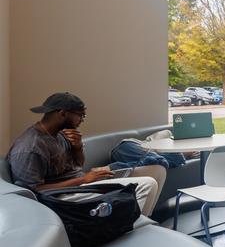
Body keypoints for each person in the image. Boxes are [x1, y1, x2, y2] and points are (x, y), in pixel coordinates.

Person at [6, 92, 164, 216]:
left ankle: (141, 218)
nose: (82, 120)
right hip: (64, 196)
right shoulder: (30, 146)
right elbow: (33, 191)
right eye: (80, 115)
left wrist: (78, 147)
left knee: (157, 170)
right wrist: (84, 179)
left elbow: (78, 165)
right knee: (148, 184)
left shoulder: (61, 134)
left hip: (83, 183)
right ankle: (133, 228)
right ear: (62, 113)